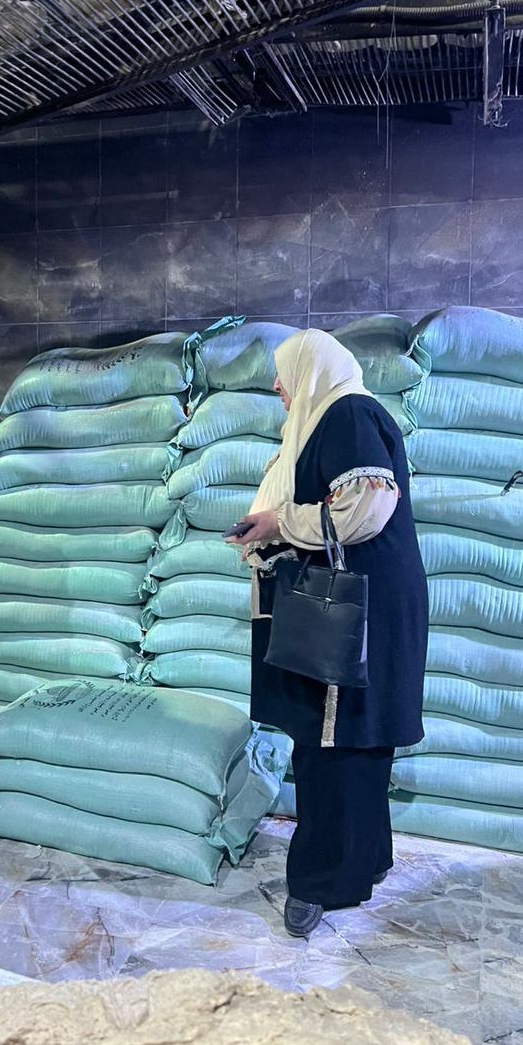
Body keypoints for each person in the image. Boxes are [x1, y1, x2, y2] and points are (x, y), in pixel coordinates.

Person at [228, 330, 427, 939]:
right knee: (354, 738)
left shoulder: (348, 414)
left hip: (356, 612)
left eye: (283, 372)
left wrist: (279, 522)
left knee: (332, 740)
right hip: (363, 605)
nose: (277, 386)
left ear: (311, 368)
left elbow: (365, 507)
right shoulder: (335, 418)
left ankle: (320, 882)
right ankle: (364, 860)